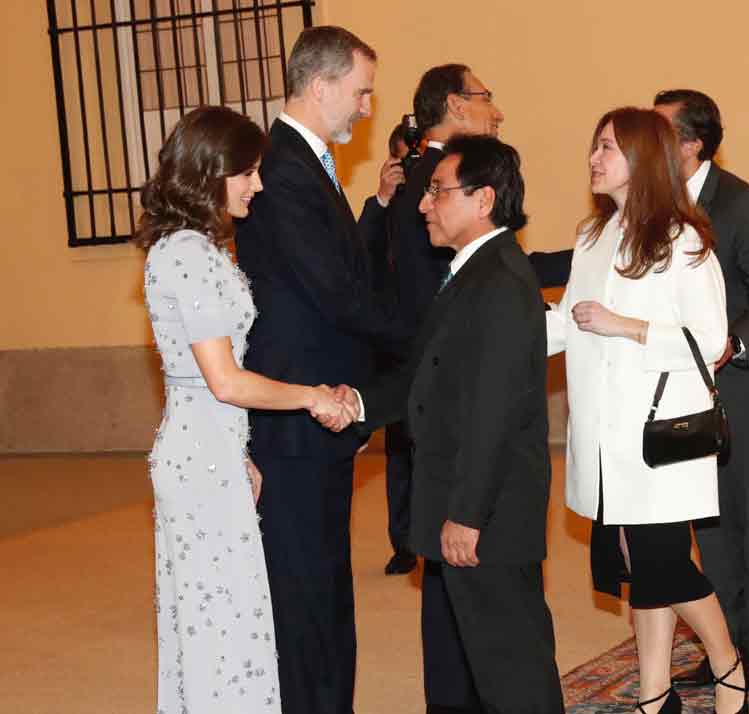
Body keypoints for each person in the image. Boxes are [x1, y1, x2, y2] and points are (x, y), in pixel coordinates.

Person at [136, 105, 356, 714]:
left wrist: (240, 454)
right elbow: (226, 382)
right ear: (211, 171)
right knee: (220, 631)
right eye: (247, 173)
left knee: (232, 621)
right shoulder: (186, 252)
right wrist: (312, 395)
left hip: (213, 453)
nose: (257, 185)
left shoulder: (200, 249)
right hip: (198, 461)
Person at [352, 135, 565, 714]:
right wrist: (354, 403)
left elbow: (493, 411)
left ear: (483, 199)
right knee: (481, 663)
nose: (424, 204)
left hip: (488, 513)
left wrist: (467, 514)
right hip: (469, 501)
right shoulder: (471, 272)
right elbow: (425, 375)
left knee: (512, 669)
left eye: (438, 192)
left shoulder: (498, 281)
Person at [547, 107, 744, 714]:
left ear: (643, 158)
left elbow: (712, 340)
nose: (594, 158)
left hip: (659, 435)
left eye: (607, 147)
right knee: (642, 566)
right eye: (594, 145)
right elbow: (569, 321)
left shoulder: (684, 240)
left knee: (661, 564)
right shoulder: (593, 235)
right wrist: (500, 339)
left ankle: (726, 662)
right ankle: (655, 694)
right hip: (606, 433)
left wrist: (624, 326)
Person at [234, 26, 407, 714]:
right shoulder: (280, 166)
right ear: (322, 84)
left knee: (325, 585)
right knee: (305, 593)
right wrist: (433, 336)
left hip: (323, 410)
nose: (368, 108)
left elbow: (340, 271)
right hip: (295, 416)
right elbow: (335, 293)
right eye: (362, 91)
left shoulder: (307, 163)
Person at [653, 90, 749, 696]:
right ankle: (724, 645)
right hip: (686, 390)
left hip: (747, 385)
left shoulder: (742, 203)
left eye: (660, 130)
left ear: (691, 144)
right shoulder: (655, 204)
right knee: (708, 523)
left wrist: (728, 346)